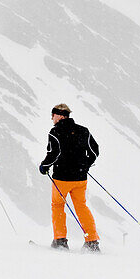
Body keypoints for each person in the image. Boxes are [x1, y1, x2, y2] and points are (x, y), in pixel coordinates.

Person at [39, 103, 100, 251]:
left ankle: (60, 241)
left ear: (59, 115)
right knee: (81, 207)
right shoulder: (83, 131)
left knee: (58, 206)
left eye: (52, 116)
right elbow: (95, 151)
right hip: (80, 178)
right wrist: (85, 165)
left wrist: (44, 166)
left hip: (62, 178)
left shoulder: (55, 132)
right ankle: (92, 241)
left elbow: (54, 154)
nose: (52, 119)